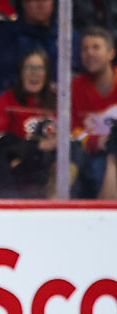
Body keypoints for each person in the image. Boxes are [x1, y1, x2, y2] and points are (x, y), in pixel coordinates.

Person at [0, 50, 57, 197]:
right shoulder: (6, 100)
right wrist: (37, 146)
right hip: (17, 172)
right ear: (21, 72)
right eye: (29, 67)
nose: (35, 73)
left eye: (40, 68)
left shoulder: (58, 102)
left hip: (50, 169)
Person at [0, 0, 83, 97]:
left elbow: (81, 76)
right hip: (20, 103)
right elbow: (0, 82)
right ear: (23, 3)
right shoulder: (7, 36)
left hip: (62, 104)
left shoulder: (69, 36)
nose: (41, 5)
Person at [71, 27, 117, 198]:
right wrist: (97, 141)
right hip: (89, 156)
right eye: (85, 49)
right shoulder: (75, 87)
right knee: (95, 168)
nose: (89, 53)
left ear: (111, 53)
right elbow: (71, 131)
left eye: (96, 47)